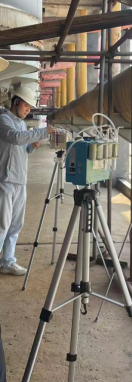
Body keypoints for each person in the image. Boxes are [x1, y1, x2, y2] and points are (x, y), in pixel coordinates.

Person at [0, 86, 55, 276]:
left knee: (16, 225)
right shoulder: (3, 119)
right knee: (2, 225)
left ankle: (7, 261)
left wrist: (31, 147)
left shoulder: (22, 124)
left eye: (30, 107)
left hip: (19, 179)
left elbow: (19, 148)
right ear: (16, 102)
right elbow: (15, 138)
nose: (28, 110)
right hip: (5, 180)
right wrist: (43, 132)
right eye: (26, 106)